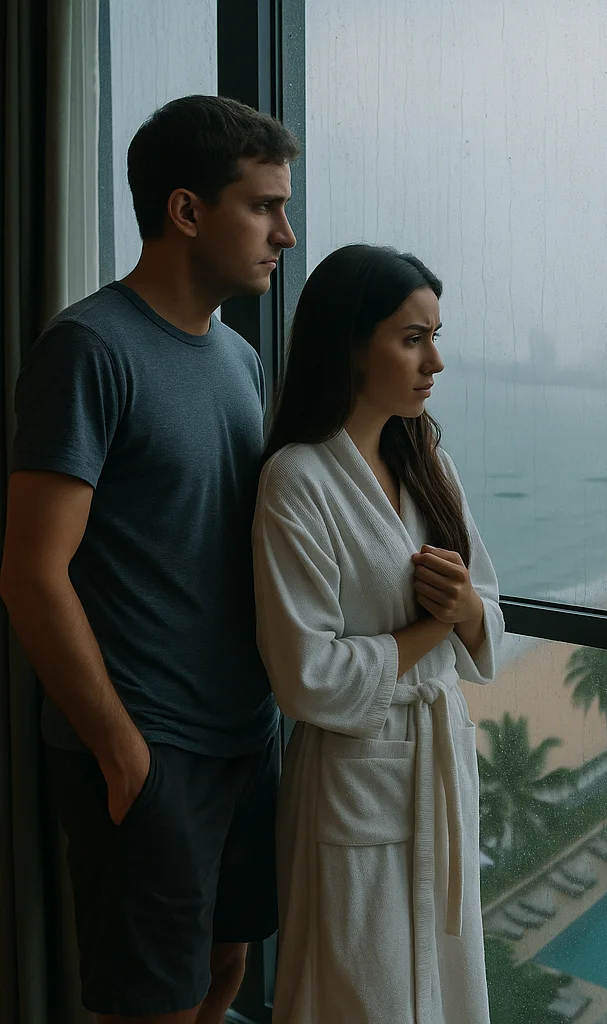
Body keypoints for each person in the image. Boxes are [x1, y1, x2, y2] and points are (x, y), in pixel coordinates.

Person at [0, 95, 299, 1022]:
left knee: (223, 973)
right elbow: (31, 573)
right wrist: (124, 753)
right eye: (263, 206)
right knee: (148, 1007)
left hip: (241, 743)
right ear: (185, 210)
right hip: (148, 750)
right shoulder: (89, 348)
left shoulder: (239, 362)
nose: (284, 233)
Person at [253, 243, 505, 1023]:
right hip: (352, 780)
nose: (435, 360)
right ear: (352, 345)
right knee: (362, 995)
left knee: (446, 987)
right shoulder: (297, 480)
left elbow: (487, 606)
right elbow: (305, 677)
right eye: (411, 338)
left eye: (435, 335)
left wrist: (462, 609)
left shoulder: (428, 456)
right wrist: (435, 626)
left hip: (437, 760)